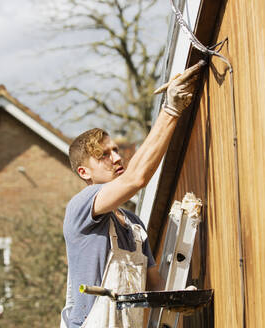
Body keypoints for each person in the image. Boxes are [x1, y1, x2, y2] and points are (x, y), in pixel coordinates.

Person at [61, 60, 205, 328]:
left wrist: (179, 298)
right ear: (84, 172)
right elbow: (137, 178)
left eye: (115, 150)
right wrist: (171, 110)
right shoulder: (82, 207)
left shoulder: (134, 226)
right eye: (104, 155)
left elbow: (155, 285)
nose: (116, 158)